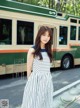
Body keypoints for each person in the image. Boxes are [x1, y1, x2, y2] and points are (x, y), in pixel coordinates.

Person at [21, 26, 54, 108]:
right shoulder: (32, 50)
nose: (46, 38)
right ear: (39, 35)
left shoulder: (49, 49)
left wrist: (48, 81)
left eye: (48, 35)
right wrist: (31, 85)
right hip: (36, 81)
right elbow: (28, 70)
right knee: (33, 103)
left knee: (45, 103)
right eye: (44, 35)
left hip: (47, 81)